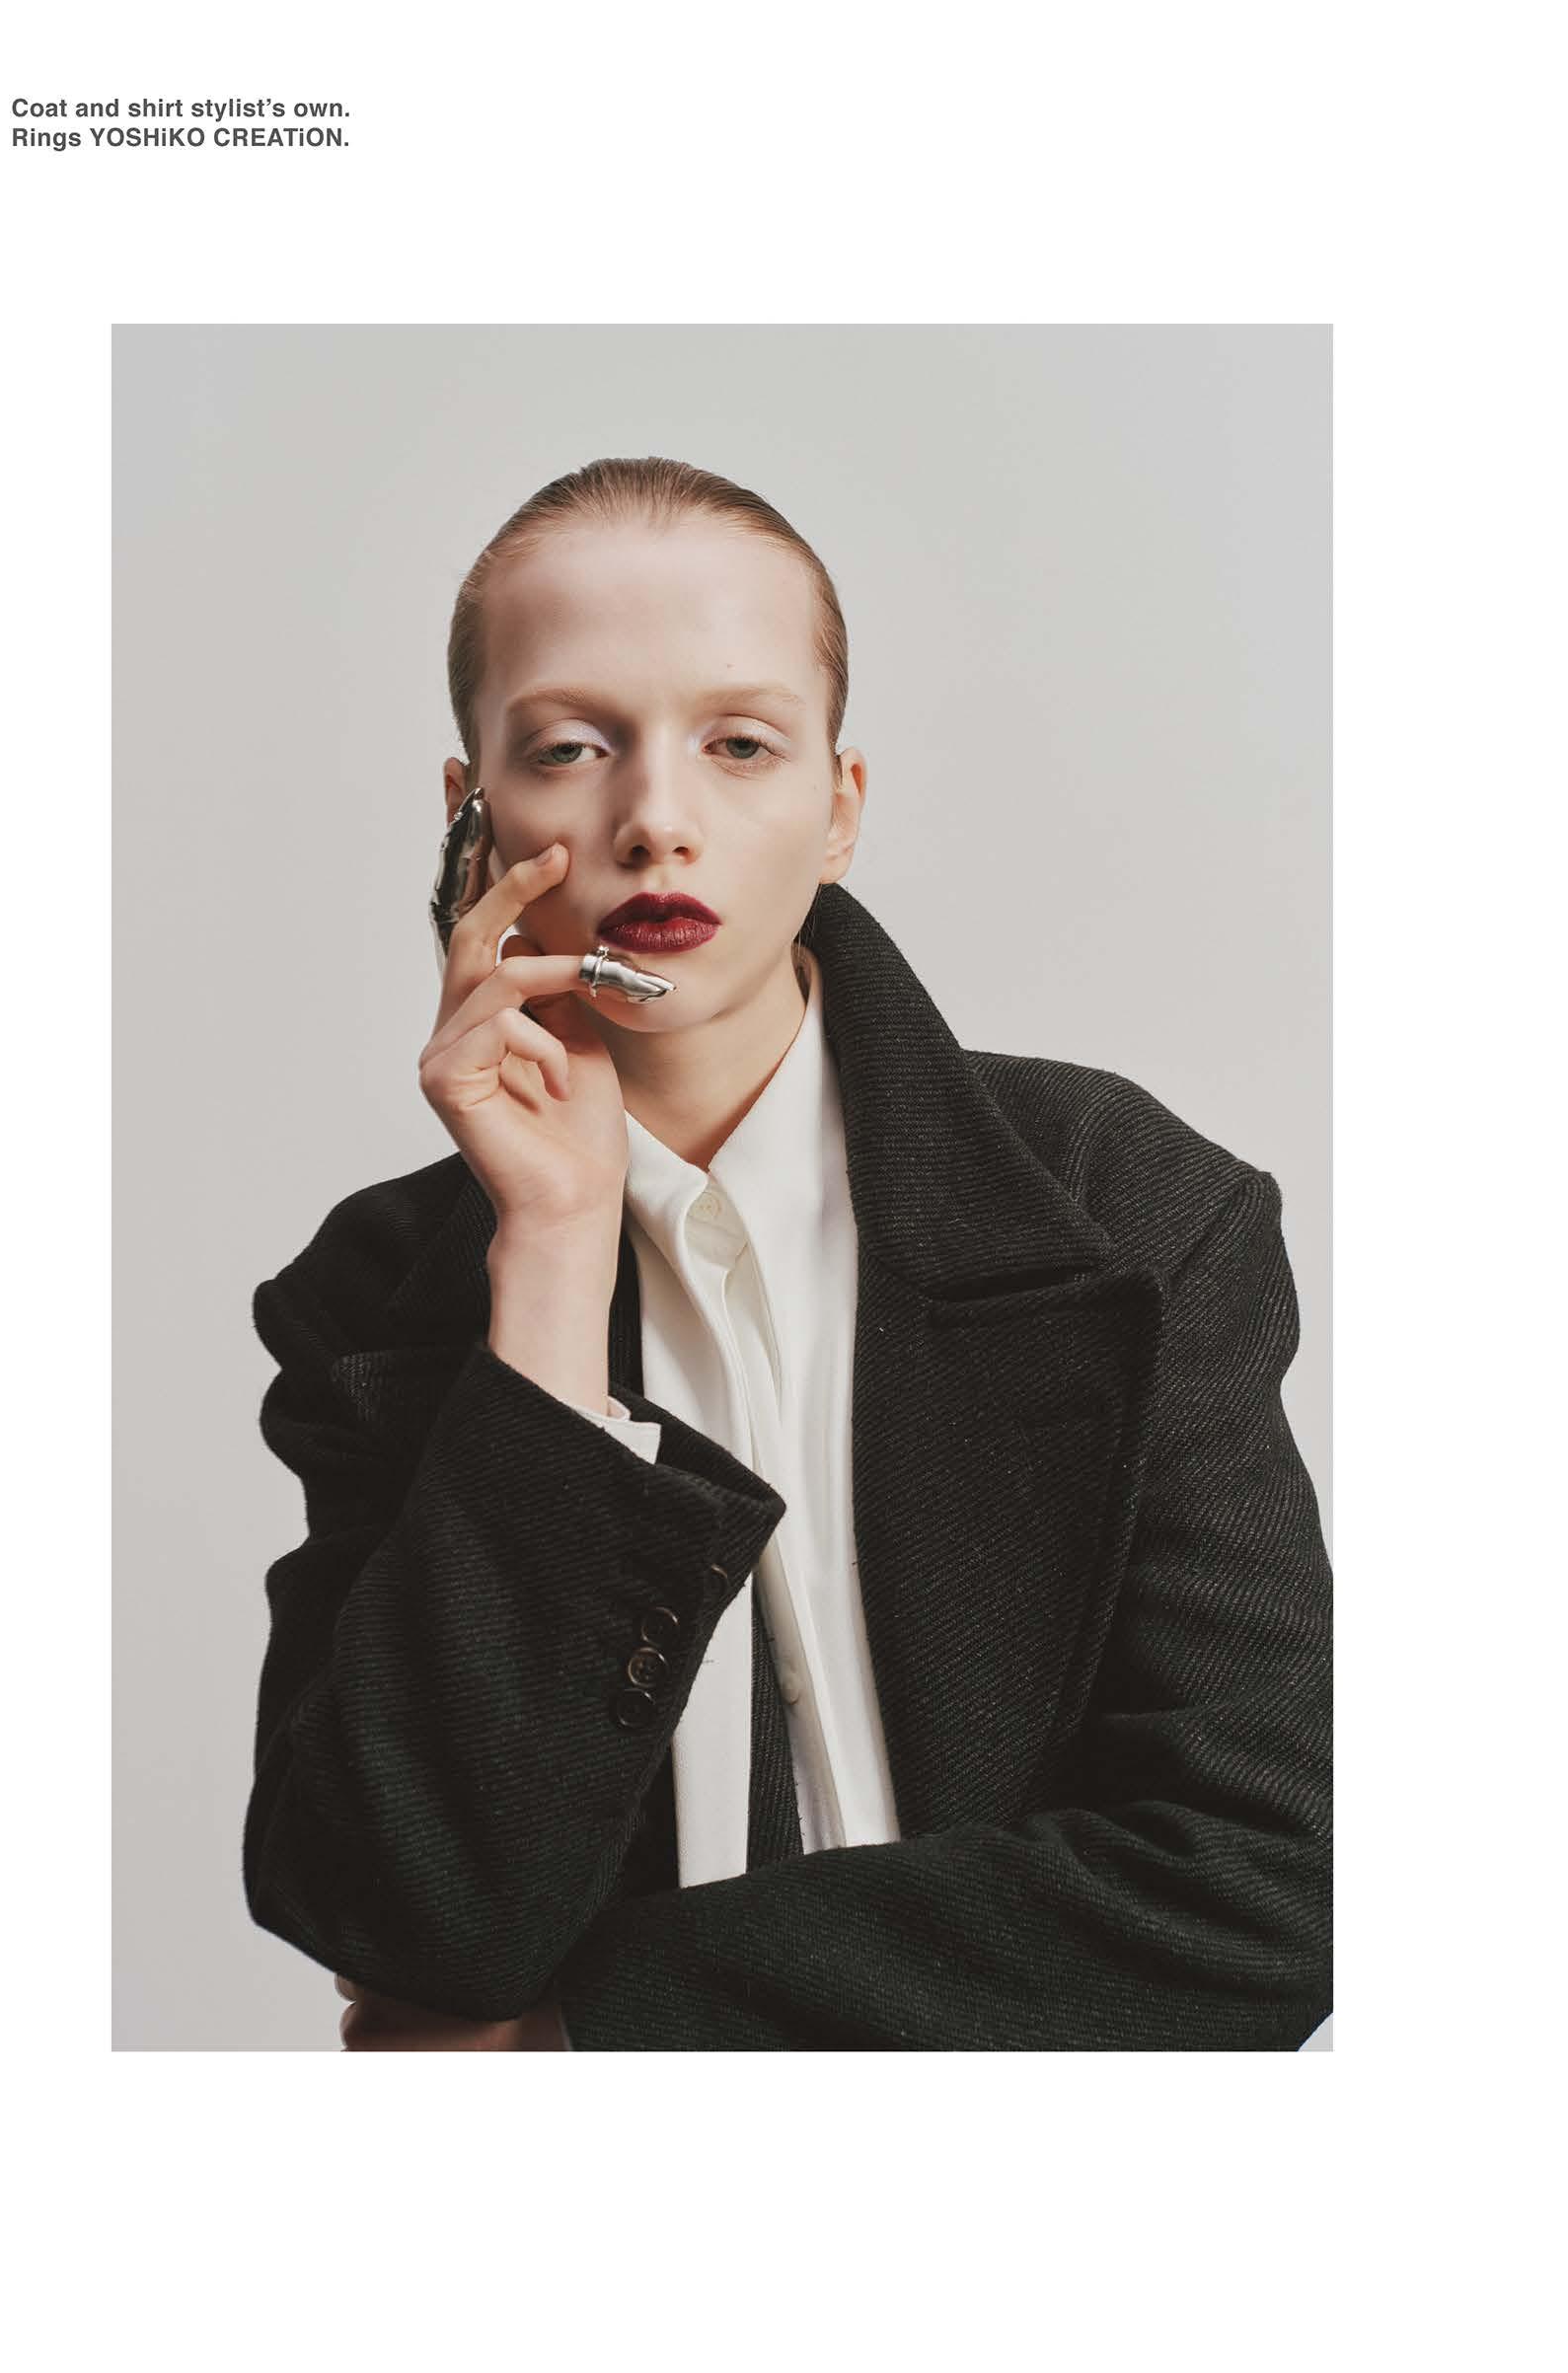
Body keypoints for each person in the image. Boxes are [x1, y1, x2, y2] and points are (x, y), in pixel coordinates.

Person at [244, 455, 1333, 2051]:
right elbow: (413, 1917)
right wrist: (550, 1262)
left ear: (838, 809)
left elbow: (1271, 1885)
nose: (655, 821)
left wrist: (595, 2033)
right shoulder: (376, 1293)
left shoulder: (1129, 1208)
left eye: (740, 744)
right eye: (570, 747)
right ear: (471, 813)